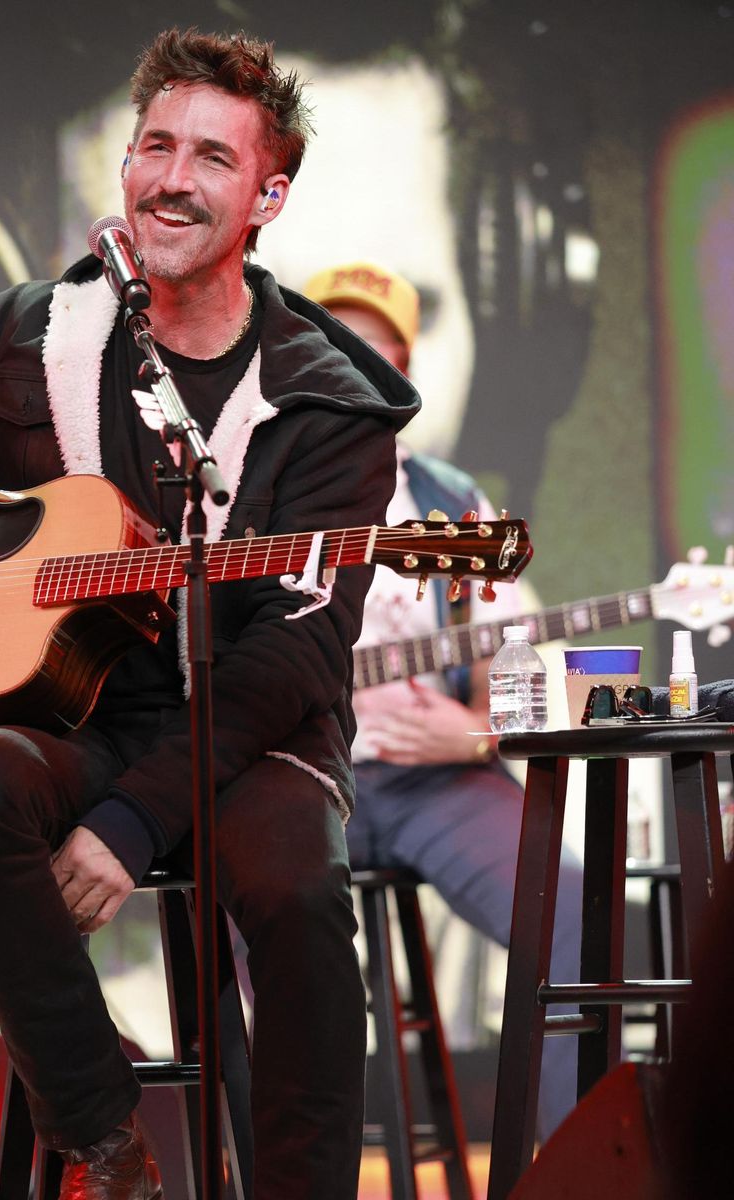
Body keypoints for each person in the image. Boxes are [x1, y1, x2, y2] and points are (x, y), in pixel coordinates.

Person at [0, 28, 419, 1200]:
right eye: (155, 147)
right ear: (126, 166)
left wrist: (133, 823)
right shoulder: (34, 333)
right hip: (78, 722)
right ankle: (106, 1145)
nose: (172, 178)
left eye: (213, 158)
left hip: (254, 741)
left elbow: (295, 663)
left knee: (300, 893)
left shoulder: (334, 404)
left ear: (268, 197)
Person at [302, 260, 585, 1139]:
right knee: (253, 915)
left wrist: (474, 734)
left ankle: (570, 1168)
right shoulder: (247, 497)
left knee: (573, 910)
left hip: (435, 783)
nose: (352, 367)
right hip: (299, 784)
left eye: (373, 349)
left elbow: (522, 665)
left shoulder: (451, 503)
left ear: (405, 374)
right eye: (331, 346)